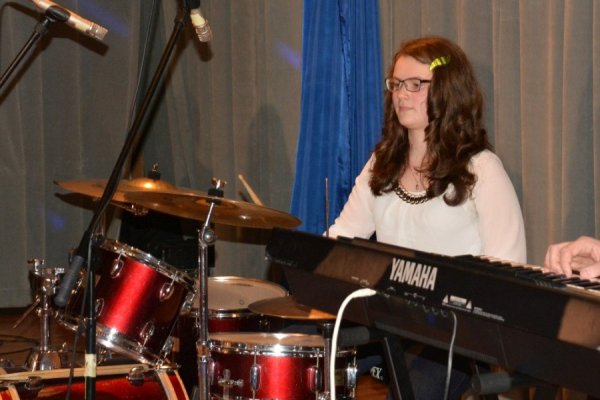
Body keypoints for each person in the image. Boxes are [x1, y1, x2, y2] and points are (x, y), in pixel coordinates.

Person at [327, 36, 527, 399]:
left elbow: (507, 272)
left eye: (416, 84)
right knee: (301, 346)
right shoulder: (381, 164)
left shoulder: (481, 170)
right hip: (390, 323)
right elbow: (341, 238)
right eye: (396, 84)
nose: (401, 94)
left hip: (457, 337)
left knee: (415, 388)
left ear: (448, 89)